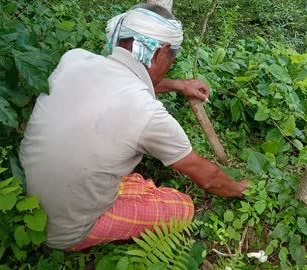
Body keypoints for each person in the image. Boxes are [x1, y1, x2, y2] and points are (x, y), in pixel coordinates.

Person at [19, 3, 248, 251]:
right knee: (182, 207)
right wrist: (239, 190)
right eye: (172, 59)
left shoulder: (74, 60)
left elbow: (127, 81)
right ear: (163, 51)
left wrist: (179, 84)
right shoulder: (148, 113)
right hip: (65, 231)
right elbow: (209, 178)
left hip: (25, 207)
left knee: (133, 179)